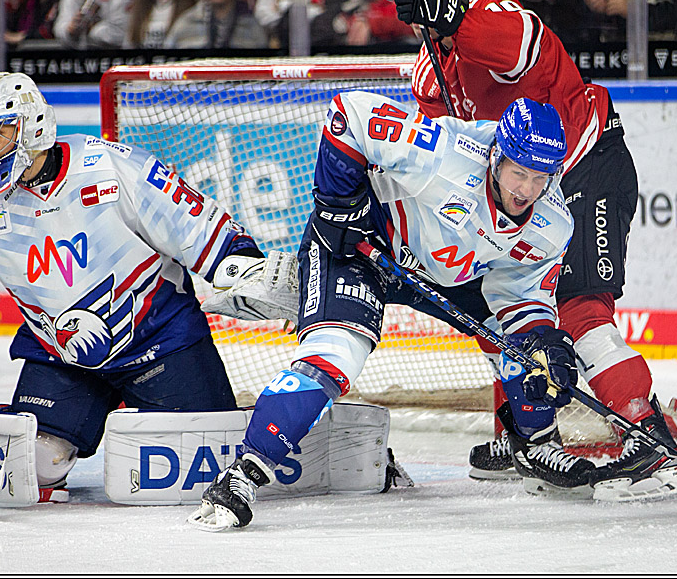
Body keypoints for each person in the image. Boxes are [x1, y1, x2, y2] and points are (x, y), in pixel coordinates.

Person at [0, 72, 298, 503]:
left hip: (162, 341)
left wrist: (243, 269)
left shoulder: (112, 167)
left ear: (33, 128)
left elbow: (197, 225)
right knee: (36, 466)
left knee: (207, 465)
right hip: (60, 354)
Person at [191, 92, 594, 531]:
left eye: (541, 178)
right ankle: (243, 474)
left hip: (441, 275)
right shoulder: (446, 155)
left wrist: (540, 336)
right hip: (361, 247)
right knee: (335, 356)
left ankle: (533, 442)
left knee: (525, 355)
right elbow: (349, 113)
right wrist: (337, 206)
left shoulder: (553, 224)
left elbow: (520, 294)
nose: (527, 191)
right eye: (519, 173)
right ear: (496, 156)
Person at [386, 0, 677, 503]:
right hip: (514, 196)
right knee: (503, 309)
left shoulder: (493, 13)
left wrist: (451, 14)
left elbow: (522, 44)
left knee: (579, 308)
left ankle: (649, 440)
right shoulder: (430, 76)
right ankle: (523, 432)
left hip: (585, 167)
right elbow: (448, 154)